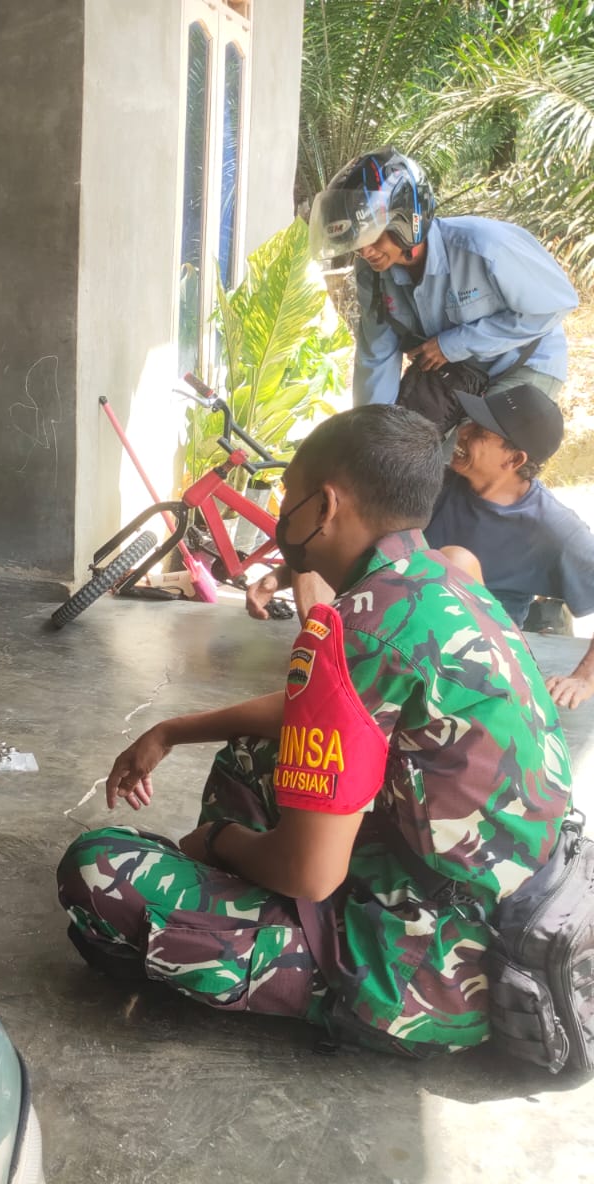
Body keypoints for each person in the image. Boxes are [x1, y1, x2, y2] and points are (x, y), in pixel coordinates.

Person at [58, 406, 572, 1056]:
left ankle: (275, 944)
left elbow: (311, 873)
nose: (281, 512)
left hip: (426, 972)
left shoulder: (359, 626)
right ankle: (243, 902)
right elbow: (322, 710)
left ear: (324, 505)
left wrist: (218, 840)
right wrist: (172, 730)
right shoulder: (443, 581)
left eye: (287, 495)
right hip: (499, 903)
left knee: (97, 868)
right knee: (254, 754)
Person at [248, 384, 594, 708]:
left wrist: (584, 679)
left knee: (454, 560)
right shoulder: (441, 482)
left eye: (480, 432)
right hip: (401, 620)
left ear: (514, 460)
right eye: (469, 422)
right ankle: (333, 665)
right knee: (320, 537)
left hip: (472, 661)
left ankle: (349, 675)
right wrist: (284, 575)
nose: (463, 432)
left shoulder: (555, 529)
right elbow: (358, 543)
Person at [309, 147, 577, 411]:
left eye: (372, 236)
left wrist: (454, 344)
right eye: (356, 242)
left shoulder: (484, 246)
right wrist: (370, 425)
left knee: (480, 438)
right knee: (402, 436)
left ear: (406, 221)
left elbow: (557, 305)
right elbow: (377, 355)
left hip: (524, 361)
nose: (365, 252)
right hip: (457, 371)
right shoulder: (372, 273)